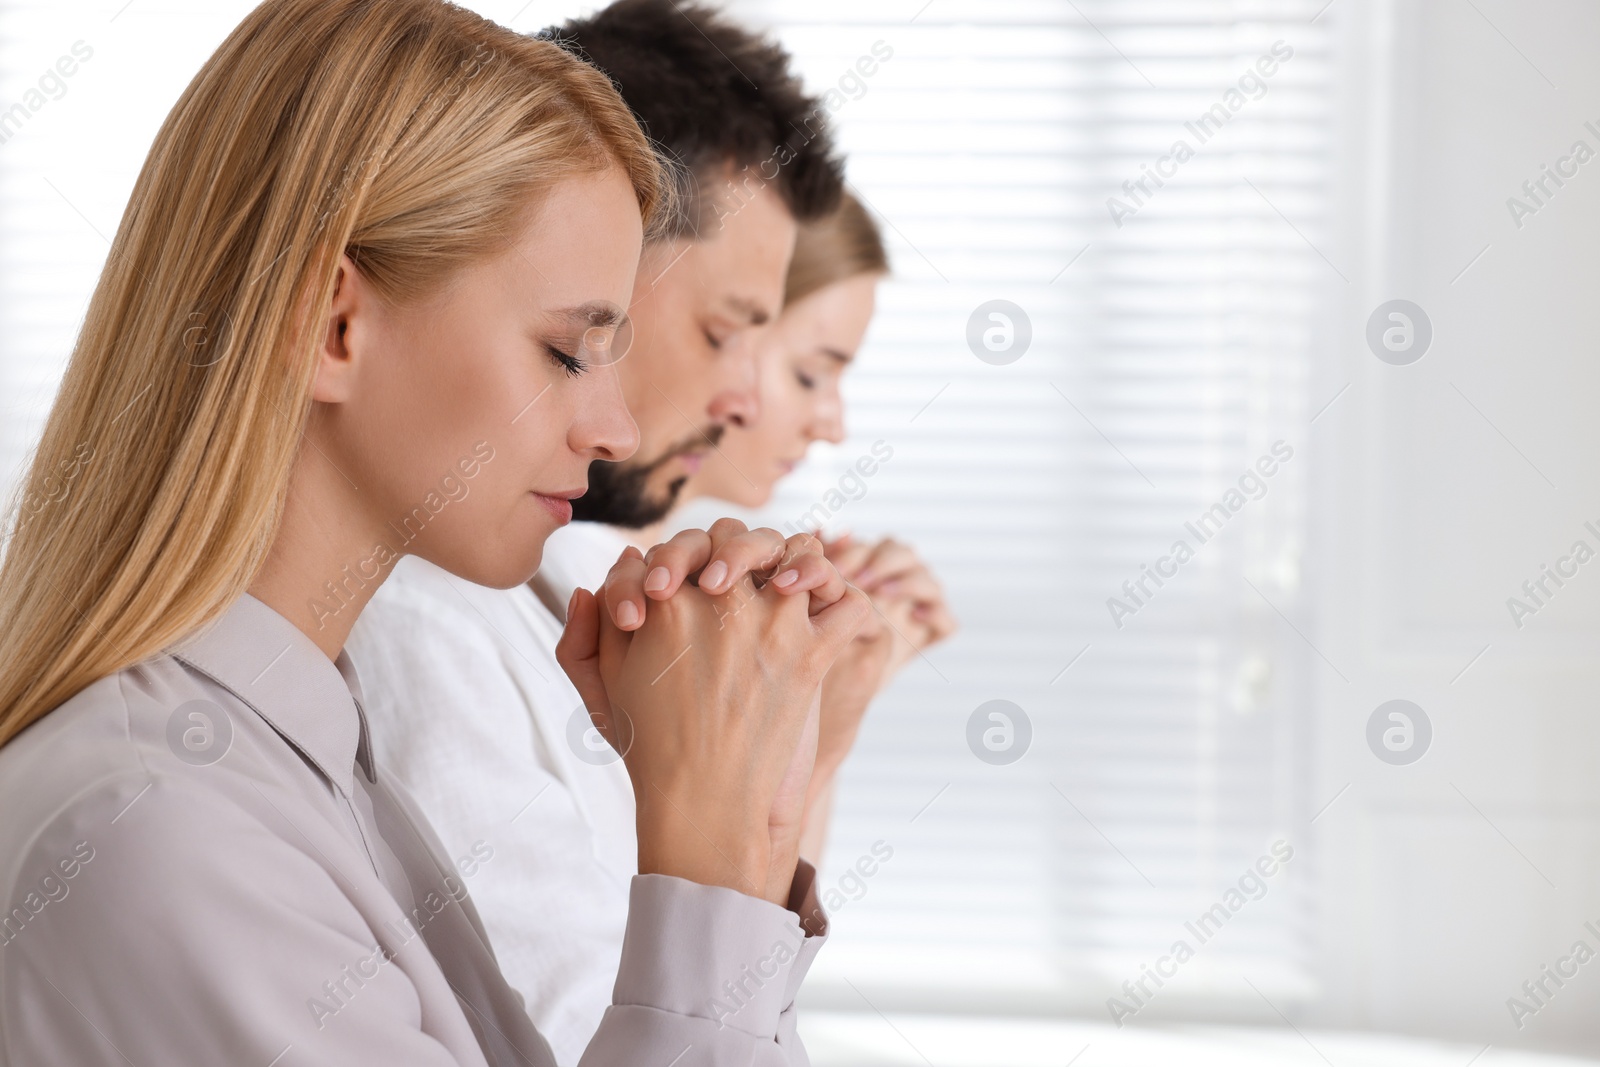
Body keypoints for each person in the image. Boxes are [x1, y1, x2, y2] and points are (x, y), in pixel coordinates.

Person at [0, 2, 867, 1064]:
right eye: (566, 351)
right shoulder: (158, 833)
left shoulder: (322, 773)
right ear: (334, 328)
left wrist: (757, 791)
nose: (617, 428)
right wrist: (707, 868)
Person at [348, 3, 853, 1061]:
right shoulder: (410, 619)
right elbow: (593, 1029)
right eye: (725, 333)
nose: (746, 401)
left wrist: (787, 747)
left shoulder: (551, 581)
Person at [618, 191, 959, 862]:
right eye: (809, 375)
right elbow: (671, 950)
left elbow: (750, 953)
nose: (833, 424)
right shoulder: (509, 602)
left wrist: (819, 691)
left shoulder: (698, 593)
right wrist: (810, 726)